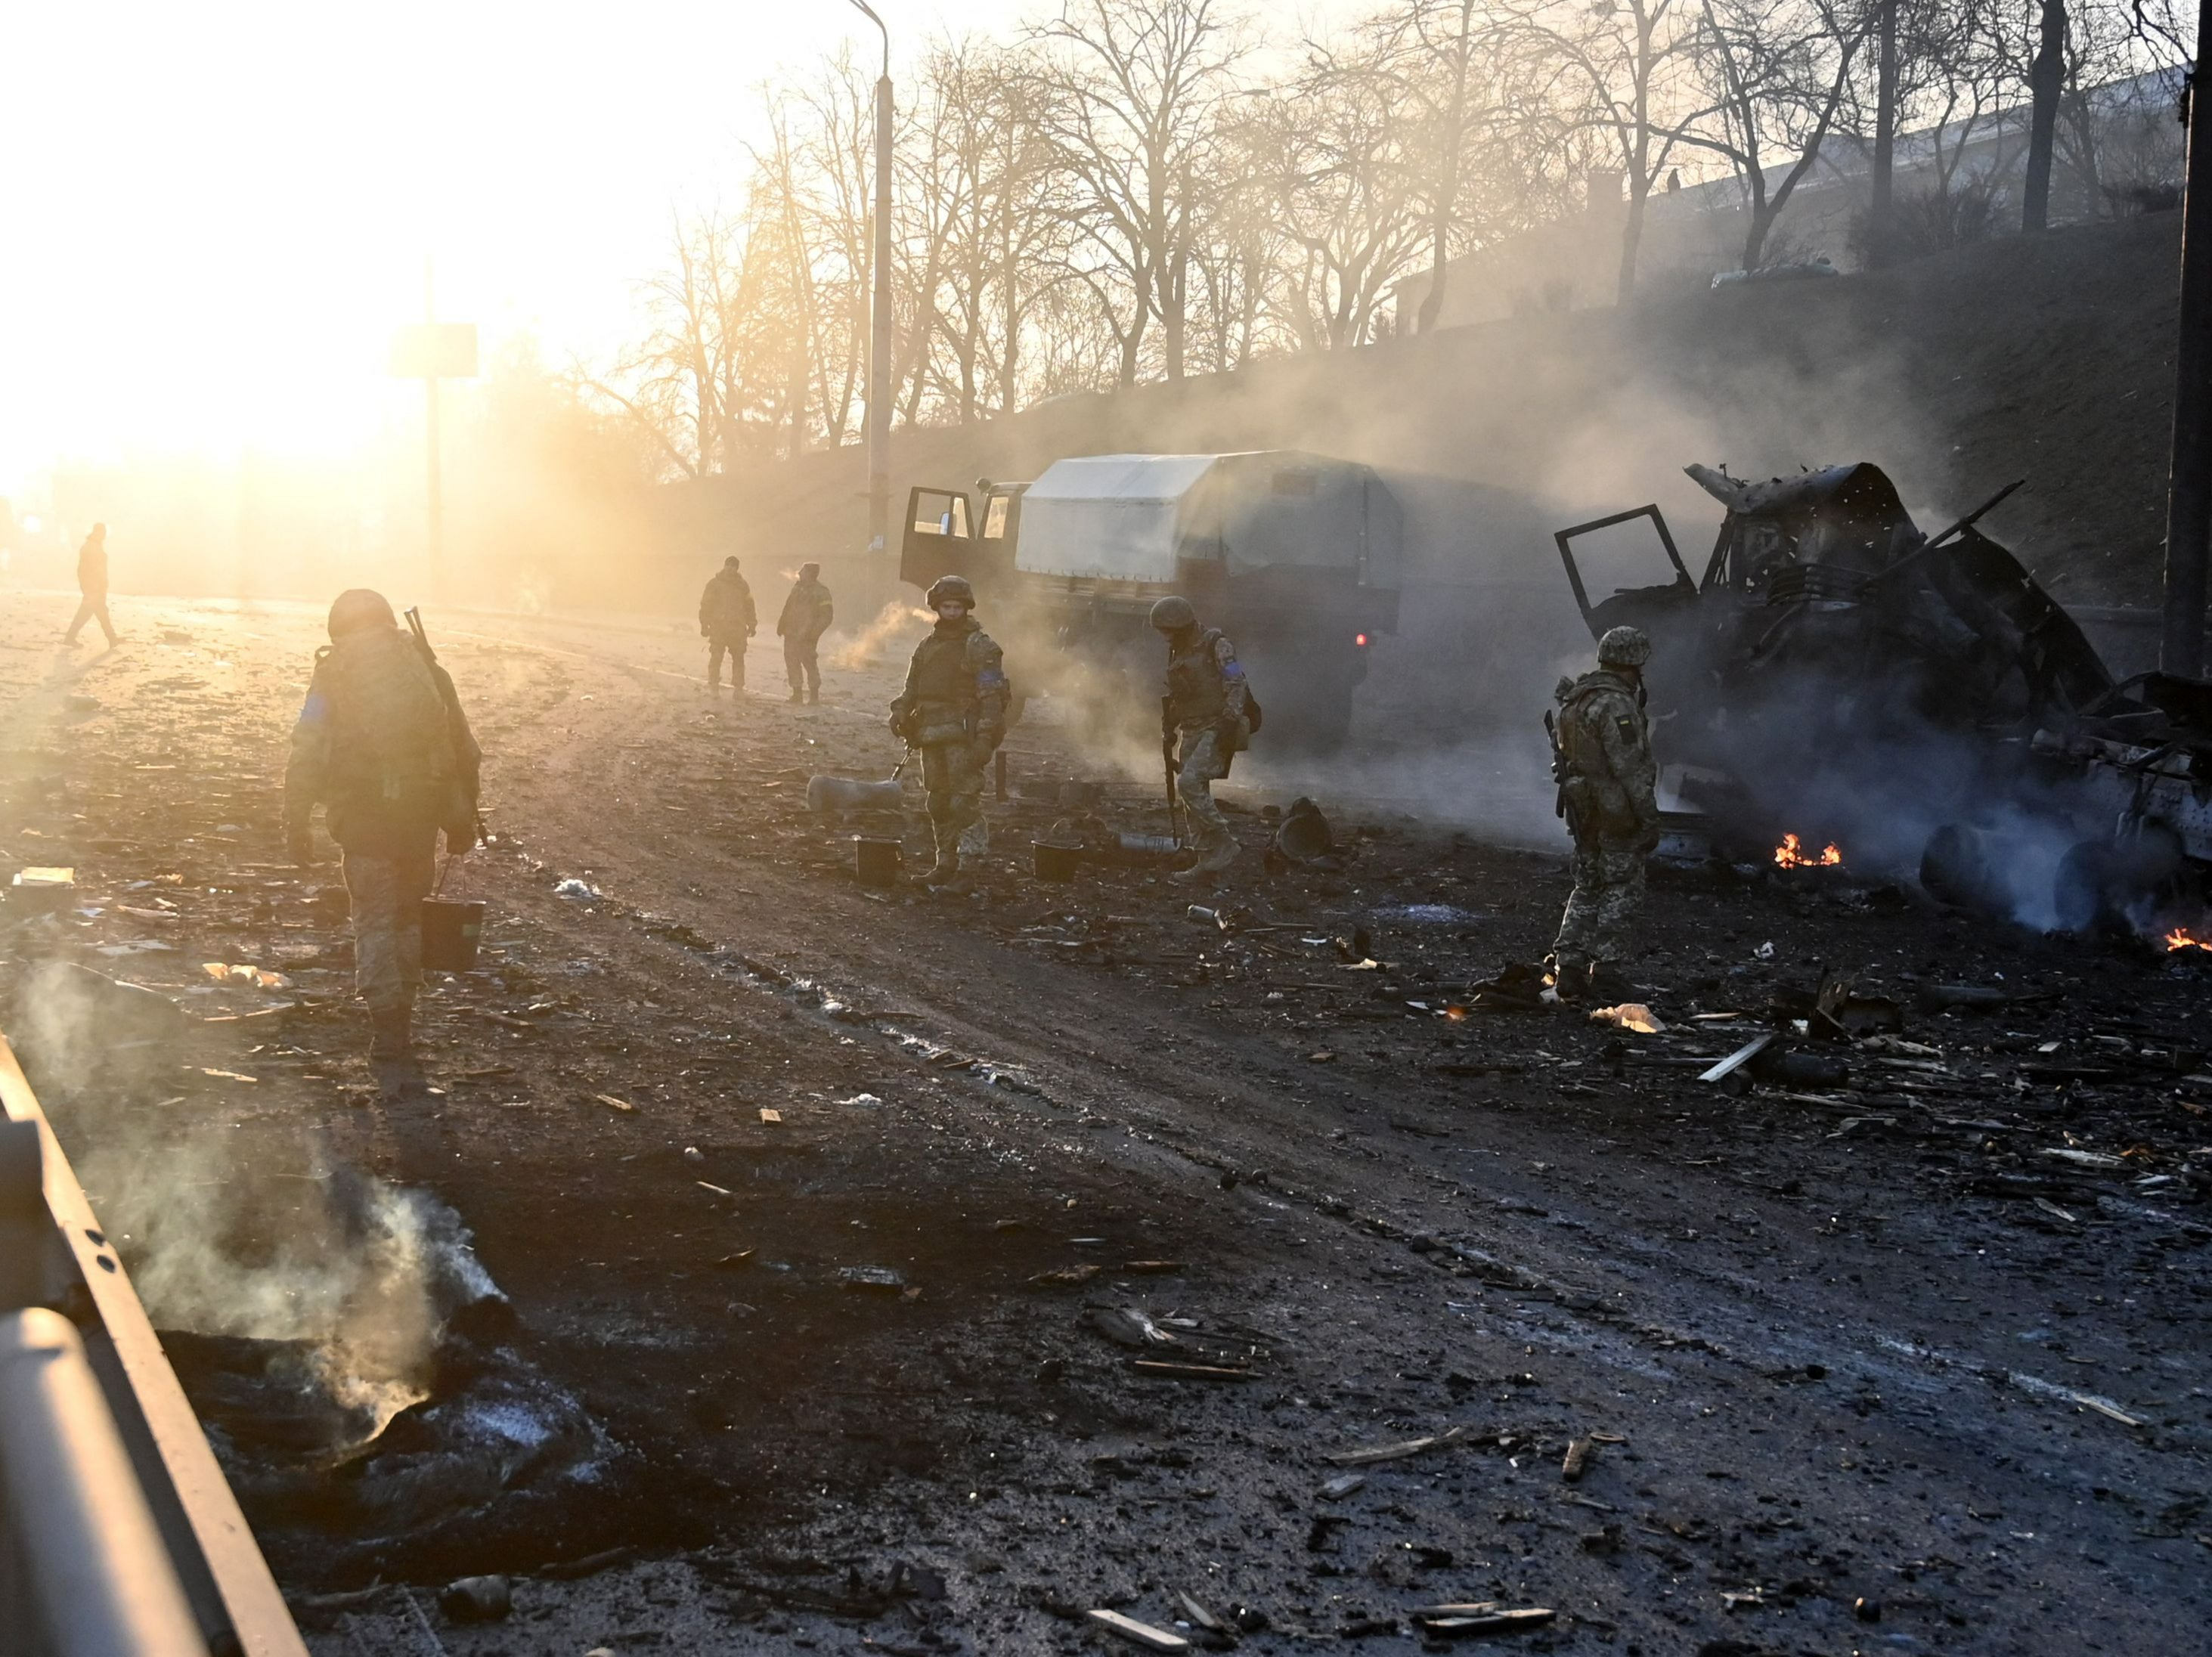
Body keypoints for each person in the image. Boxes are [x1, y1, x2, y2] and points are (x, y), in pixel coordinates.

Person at [285, 590, 481, 1092]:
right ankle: (404, 1020)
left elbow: (307, 746)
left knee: (372, 920)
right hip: (418, 818)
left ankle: (386, 1029)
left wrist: (296, 819)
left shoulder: (333, 673)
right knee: (406, 917)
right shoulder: (424, 668)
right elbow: (462, 749)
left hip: (363, 821)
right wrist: (461, 822)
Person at [1547, 624, 1659, 1002]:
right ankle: (1607, 971)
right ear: (1634, 662)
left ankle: (1570, 967)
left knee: (1587, 884)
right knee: (1622, 887)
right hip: (1615, 811)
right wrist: (1648, 819)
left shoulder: (1576, 700)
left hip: (1584, 810)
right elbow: (1631, 768)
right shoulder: (1616, 704)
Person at [889, 575, 1007, 891]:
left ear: (966, 608)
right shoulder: (927, 646)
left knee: (963, 805)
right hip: (931, 735)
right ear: (937, 607)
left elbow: (992, 699)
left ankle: (968, 870)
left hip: (963, 738)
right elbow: (912, 688)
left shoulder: (980, 646)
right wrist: (900, 711)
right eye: (946, 606)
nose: (952, 612)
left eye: (957, 607)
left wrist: (984, 740)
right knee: (938, 803)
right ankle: (945, 864)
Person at [1151, 595, 1252, 882]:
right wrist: (1169, 728)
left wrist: (1229, 722)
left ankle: (1225, 843)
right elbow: (1179, 693)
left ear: (1181, 626)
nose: (1165, 637)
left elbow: (1236, 681)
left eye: (1167, 631)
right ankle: (1206, 859)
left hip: (1215, 726)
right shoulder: (1178, 650)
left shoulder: (1217, 644)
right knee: (1193, 796)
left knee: (1189, 783)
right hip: (1191, 728)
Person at [777, 562, 835, 704]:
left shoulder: (821, 592)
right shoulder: (797, 588)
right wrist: (782, 624)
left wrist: (813, 634)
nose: (800, 573)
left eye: (803, 571)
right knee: (792, 662)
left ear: (810, 574)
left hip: (807, 635)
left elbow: (827, 616)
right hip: (791, 633)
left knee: (809, 663)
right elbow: (788, 606)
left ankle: (814, 696)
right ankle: (797, 694)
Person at [699, 556, 757, 692]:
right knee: (716, 656)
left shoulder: (743, 585)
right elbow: (706, 605)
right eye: (728, 565)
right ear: (724, 566)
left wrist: (752, 624)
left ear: (737, 568)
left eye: (733, 566)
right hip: (718, 627)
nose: (730, 568)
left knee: (738, 657)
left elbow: (750, 606)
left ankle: (738, 685)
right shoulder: (714, 584)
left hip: (737, 628)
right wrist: (704, 624)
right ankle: (713, 682)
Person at [64, 523, 118, 646]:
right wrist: (91, 587)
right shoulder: (90, 548)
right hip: (94, 588)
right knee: (98, 612)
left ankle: (112, 639)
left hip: (95, 587)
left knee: (92, 612)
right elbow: (84, 570)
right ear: (97, 532)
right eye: (102, 532)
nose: (104, 535)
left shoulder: (94, 546)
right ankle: (112, 638)